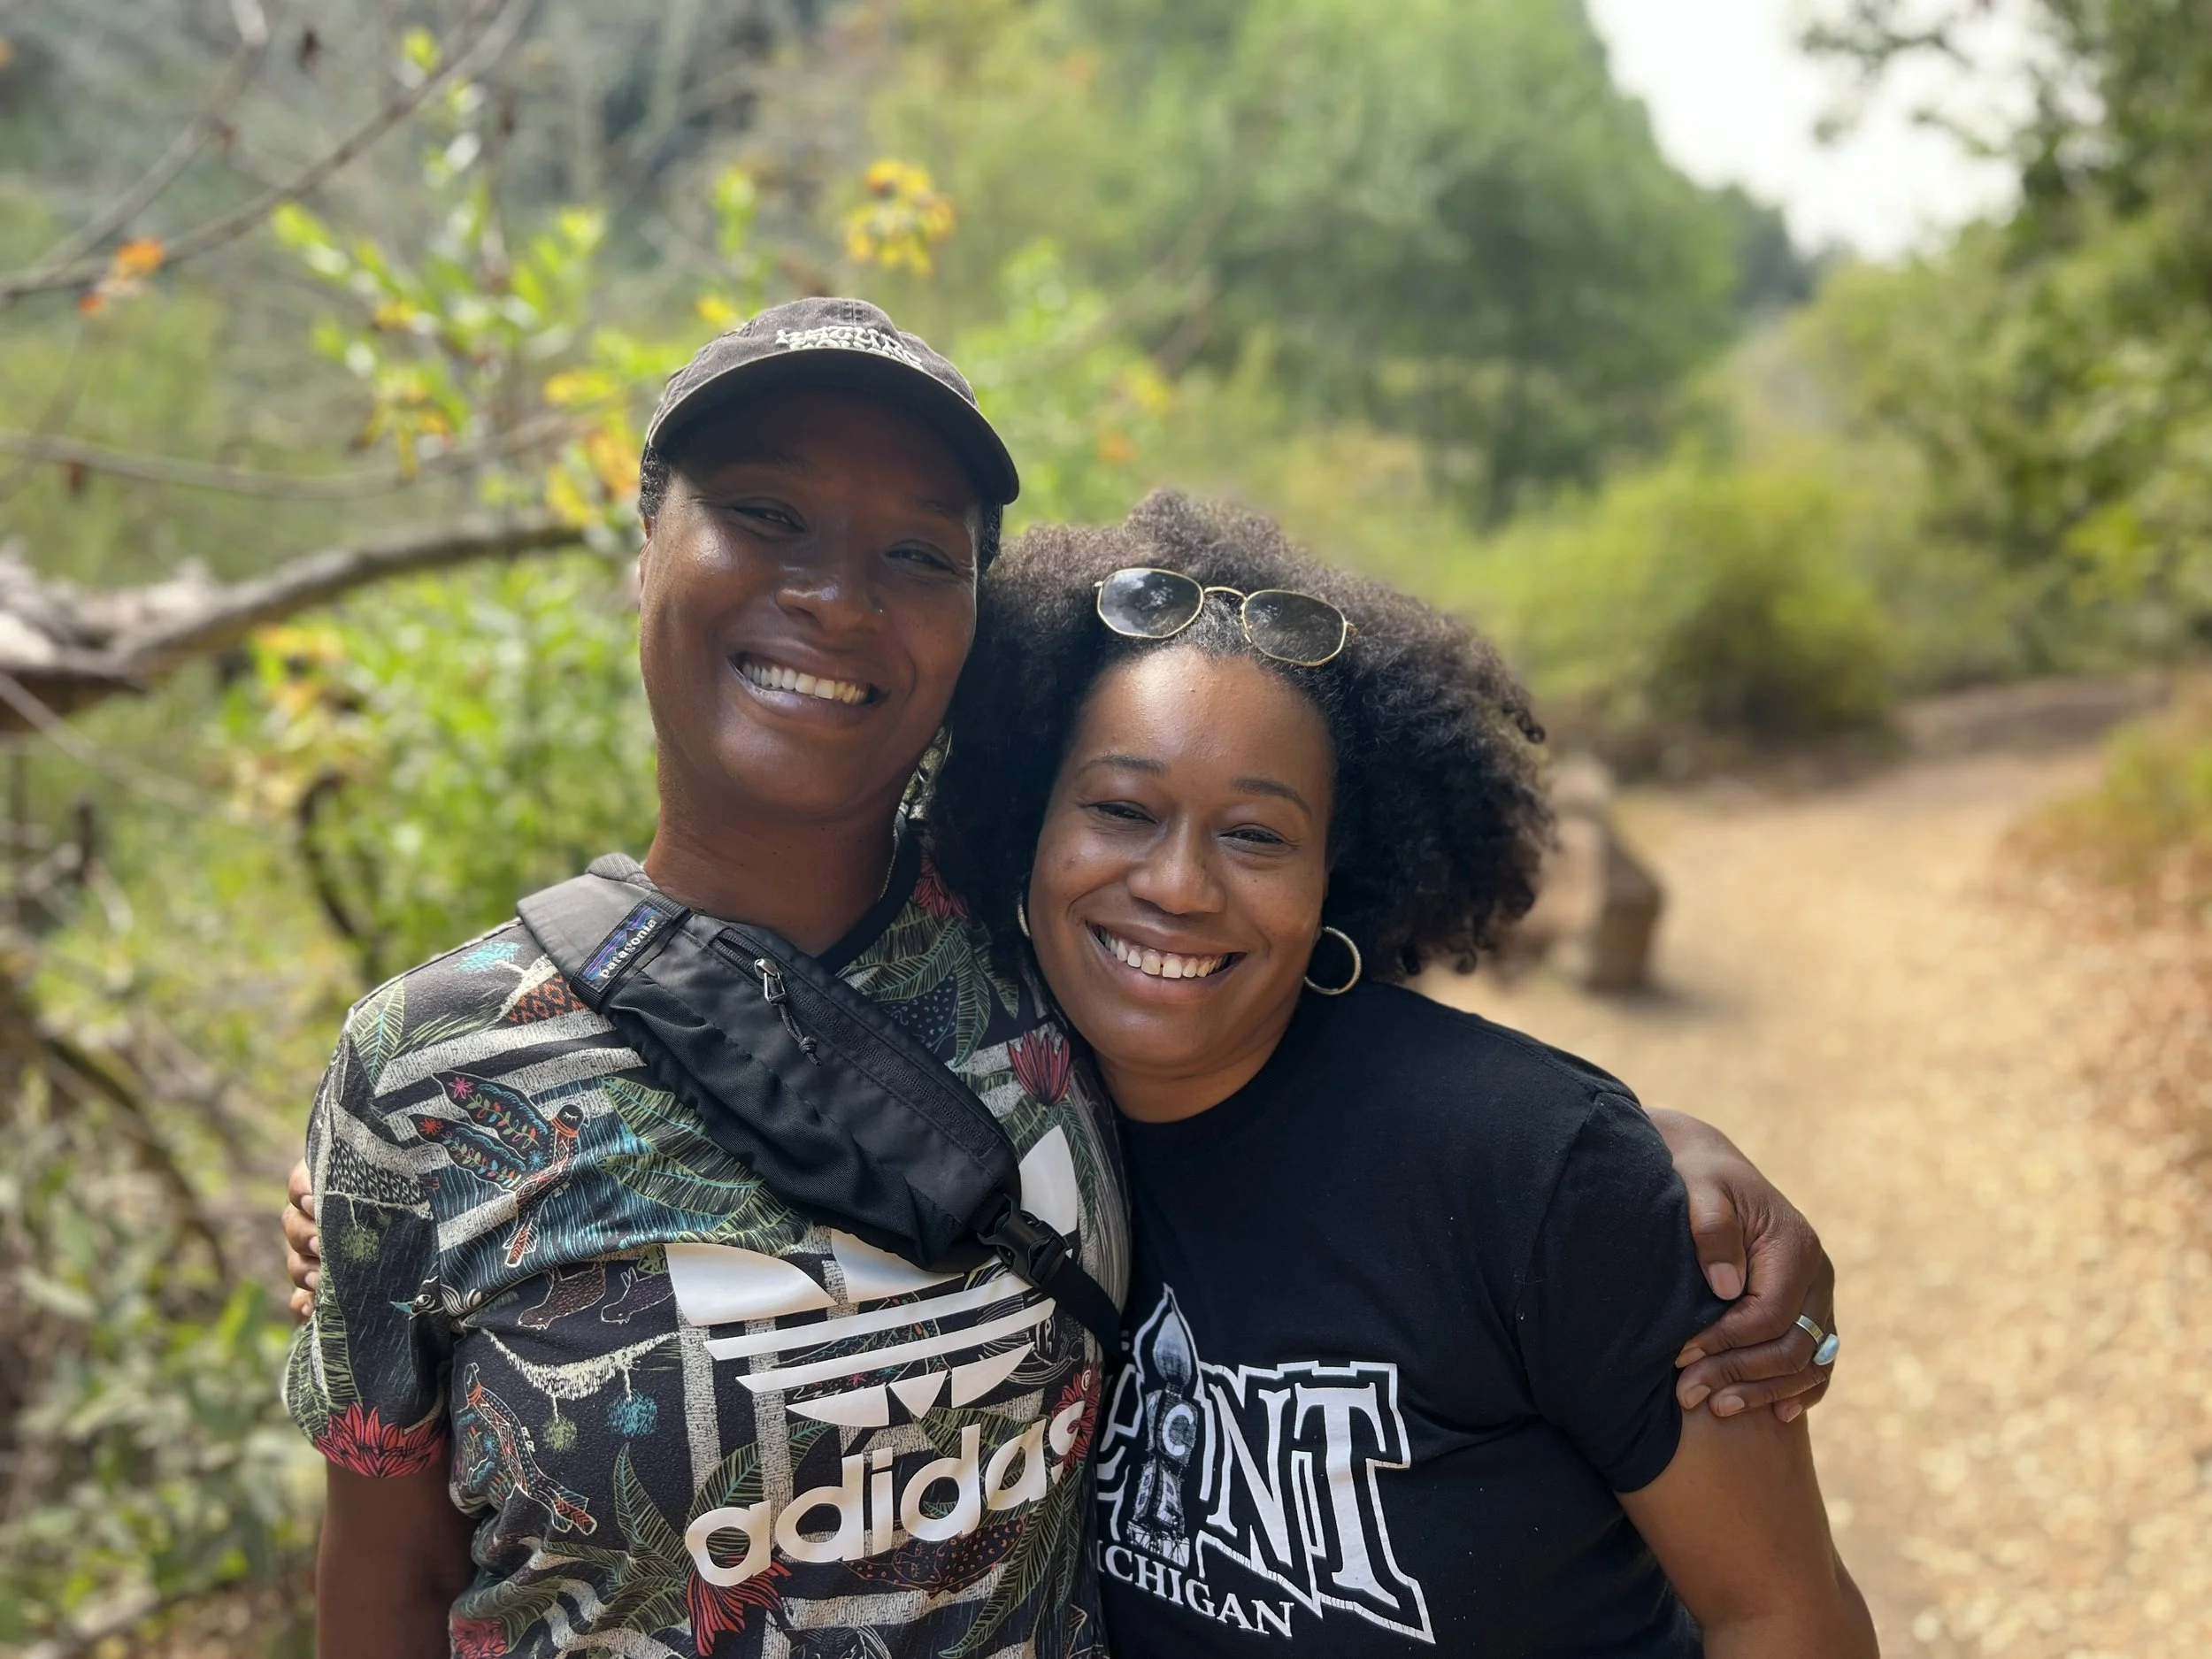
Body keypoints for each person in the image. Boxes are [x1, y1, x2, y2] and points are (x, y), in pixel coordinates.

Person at [280, 300, 1835, 1659]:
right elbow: (390, 1582)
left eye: (915, 551)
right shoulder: (434, 1075)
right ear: (646, 552)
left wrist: (1658, 1175)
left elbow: (1363, 1119)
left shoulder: (1050, 985)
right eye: (762, 511)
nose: (836, 593)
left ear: (973, 628)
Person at [925, 491, 1871, 1655]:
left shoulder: (1532, 1170)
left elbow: (1785, 1613)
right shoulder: (994, 1122)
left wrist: (1617, 1163)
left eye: (1256, 834)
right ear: (1028, 825)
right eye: (1123, 808)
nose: (1177, 883)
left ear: (1340, 876)